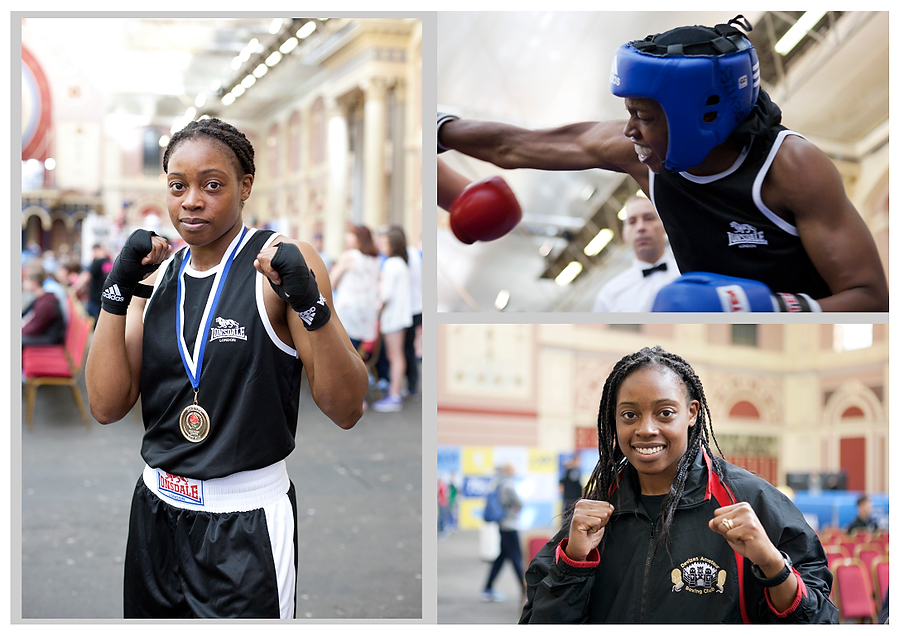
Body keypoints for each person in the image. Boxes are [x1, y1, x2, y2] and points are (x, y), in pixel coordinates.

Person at [84, 117, 368, 619]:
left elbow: (347, 408)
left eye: (211, 185)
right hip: (155, 511)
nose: (192, 200)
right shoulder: (157, 274)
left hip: (245, 522)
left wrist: (310, 306)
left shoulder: (279, 262)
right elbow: (106, 406)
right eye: (178, 186)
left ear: (245, 186)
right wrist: (116, 291)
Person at [437, 17, 888, 312]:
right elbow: (515, 146)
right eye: (630, 112)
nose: (629, 129)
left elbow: (871, 298)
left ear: (703, 117)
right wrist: (438, 127)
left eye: (645, 116)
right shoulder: (638, 154)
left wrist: (771, 309)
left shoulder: (791, 167)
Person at [520, 346, 837, 623]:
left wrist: (771, 564)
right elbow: (540, 622)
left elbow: (819, 619)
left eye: (665, 413)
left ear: (691, 413)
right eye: (629, 415)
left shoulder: (749, 499)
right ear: (613, 420)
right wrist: (575, 563)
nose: (646, 429)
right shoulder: (602, 506)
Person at [592, 196, 679, 312]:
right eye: (632, 222)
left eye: (648, 218)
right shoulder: (609, 296)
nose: (640, 227)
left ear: (664, 225)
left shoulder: (690, 273)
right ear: (625, 233)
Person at [372, 226, 413, 412]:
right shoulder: (401, 263)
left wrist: (376, 308)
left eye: (384, 242)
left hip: (393, 318)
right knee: (396, 355)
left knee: (394, 356)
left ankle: (394, 395)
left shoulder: (391, 264)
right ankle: (395, 391)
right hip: (399, 317)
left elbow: (385, 295)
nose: (381, 245)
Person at [329, 225, 380, 353]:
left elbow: (332, 281)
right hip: (367, 310)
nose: (347, 238)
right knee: (357, 351)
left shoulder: (350, 256)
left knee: (345, 351)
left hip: (349, 309)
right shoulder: (374, 259)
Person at [483, 463, 525, 603]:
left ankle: (487, 588)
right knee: (516, 558)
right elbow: (519, 502)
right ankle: (525, 590)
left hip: (503, 524)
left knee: (502, 558)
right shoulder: (508, 485)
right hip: (509, 526)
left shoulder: (499, 483)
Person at [22, 267, 66, 346]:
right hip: (46, 334)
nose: (23, 283)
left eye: (25, 281)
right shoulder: (42, 298)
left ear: (34, 283)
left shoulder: (46, 303)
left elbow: (34, 329)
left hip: (51, 340)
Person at [82, 243, 112, 322]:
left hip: (95, 296)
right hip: (103, 295)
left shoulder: (97, 263)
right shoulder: (107, 261)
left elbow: (87, 276)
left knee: (91, 319)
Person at [559, 455, 583, 523]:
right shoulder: (573, 472)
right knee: (570, 520)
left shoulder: (569, 472)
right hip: (572, 500)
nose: (580, 463)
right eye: (578, 461)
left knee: (567, 520)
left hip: (569, 499)